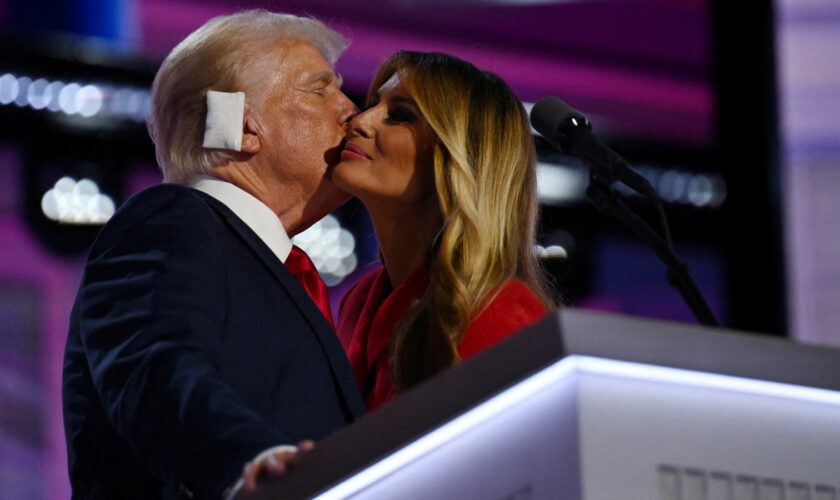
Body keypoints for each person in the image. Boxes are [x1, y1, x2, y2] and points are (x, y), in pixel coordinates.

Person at [62, 10, 365, 499]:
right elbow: (155, 369)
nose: (352, 110)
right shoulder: (169, 220)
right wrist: (253, 463)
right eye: (319, 89)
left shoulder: (281, 272)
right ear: (244, 128)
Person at [333, 51, 554, 411]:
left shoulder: (499, 313)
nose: (360, 121)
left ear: (456, 160)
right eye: (372, 104)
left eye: (400, 115)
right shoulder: (360, 299)